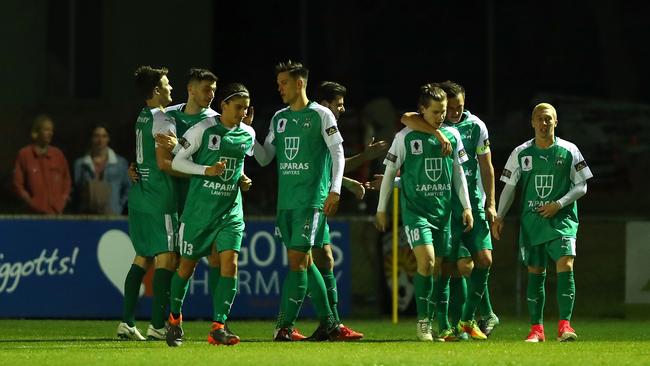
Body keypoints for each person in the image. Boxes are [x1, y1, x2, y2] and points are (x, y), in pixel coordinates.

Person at [252, 60, 356, 341]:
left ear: (300, 83)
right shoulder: (279, 118)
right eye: (278, 84)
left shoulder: (322, 115)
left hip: (311, 201)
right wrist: (248, 135)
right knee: (306, 261)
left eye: (284, 83)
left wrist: (334, 190)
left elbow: (338, 155)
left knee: (298, 260)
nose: (279, 88)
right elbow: (265, 158)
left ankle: (284, 327)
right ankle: (330, 325)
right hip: (286, 202)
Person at [375, 83, 473, 342]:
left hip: (442, 212)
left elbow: (459, 175)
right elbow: (388, 173)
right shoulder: (405, 137)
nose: (441, 116)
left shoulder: (453, 136)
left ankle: (443, 324)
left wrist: (466, 207)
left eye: (443, 111)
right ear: (422, 111)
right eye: (435, 112)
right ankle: (423, 323)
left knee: (439, 268)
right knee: (427, 261)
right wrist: (381, 209)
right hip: (415, 211)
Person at [400, 81, 497, 340]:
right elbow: (407, 117)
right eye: (449, 108)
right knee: (451, 267)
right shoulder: (433, 123)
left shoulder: (475, 126)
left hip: (471, 203)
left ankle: (476, 315)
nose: (452, 113)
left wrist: (490, 203)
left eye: (458, 107)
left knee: (482, 260)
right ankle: (450, 325)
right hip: (442, 206)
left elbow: (487, 166)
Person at [295, 81, 389, 341]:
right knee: (305, 261)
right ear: (325, 104)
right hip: (306, 202)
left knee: (324, 258)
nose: (343, 109)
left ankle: (331, 323)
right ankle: (305, 324)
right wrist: (351, 176)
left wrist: (348, 180)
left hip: (317, 199)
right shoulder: (315, 123)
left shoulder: (322, 124)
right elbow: (320, 167)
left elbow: (328, 167)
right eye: (339, 104)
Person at [492, 103, 592, 342]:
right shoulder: (521, 152)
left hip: (562, 219)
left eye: (548, 119)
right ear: (532, 122)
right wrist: (499, 216)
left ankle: (565, 326)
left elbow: (582, 185)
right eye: (539, 119)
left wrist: (559, 204)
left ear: (556, 122)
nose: (544, 123)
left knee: (566, 265)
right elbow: (510, 188)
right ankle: (536, 329)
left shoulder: (569, 150)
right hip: (532, 222)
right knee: (535, 272)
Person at [165, 83, 255, 347]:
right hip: (199, 212)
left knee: (230, 264)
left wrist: (242, 180)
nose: (242, 112)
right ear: (224, 105)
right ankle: (174, 319)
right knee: (186, 267)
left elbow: (238, 166)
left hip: (230, 211)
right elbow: (178, 161)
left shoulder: (247, 134)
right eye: (238, 107)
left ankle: (218, 326)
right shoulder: (203, 129)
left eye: (246, 108)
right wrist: (207, 170)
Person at [117, 65, 180, 341]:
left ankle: (127, 323)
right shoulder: (163, 121)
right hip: (159, 195)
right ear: (156, 91)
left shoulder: (142, 117)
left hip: (140, 194)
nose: (171, 88)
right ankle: (157, 324)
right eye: (167, 84)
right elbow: (167, 161)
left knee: (142, 256)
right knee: (167, 257)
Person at [13, 114, 71, 214]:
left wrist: (62, 200)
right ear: (36, 133)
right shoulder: (25, 154)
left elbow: (66, 180)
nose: (50, 133)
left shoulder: (58, 155)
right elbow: (17, 184)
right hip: (33, 216)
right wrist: (31, 203)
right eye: (46, 130)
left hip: (56, 213)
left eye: (51, 130)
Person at [73, 125, 130, 214]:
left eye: (104, 136)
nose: (100, 140)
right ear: (91, 138)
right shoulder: (80, 164)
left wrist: (119, 206)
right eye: (97, 136)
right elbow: (76, 190)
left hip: (113, 215)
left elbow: (128, 188)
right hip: (86, 217)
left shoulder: (121, 163)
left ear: (108, 139)